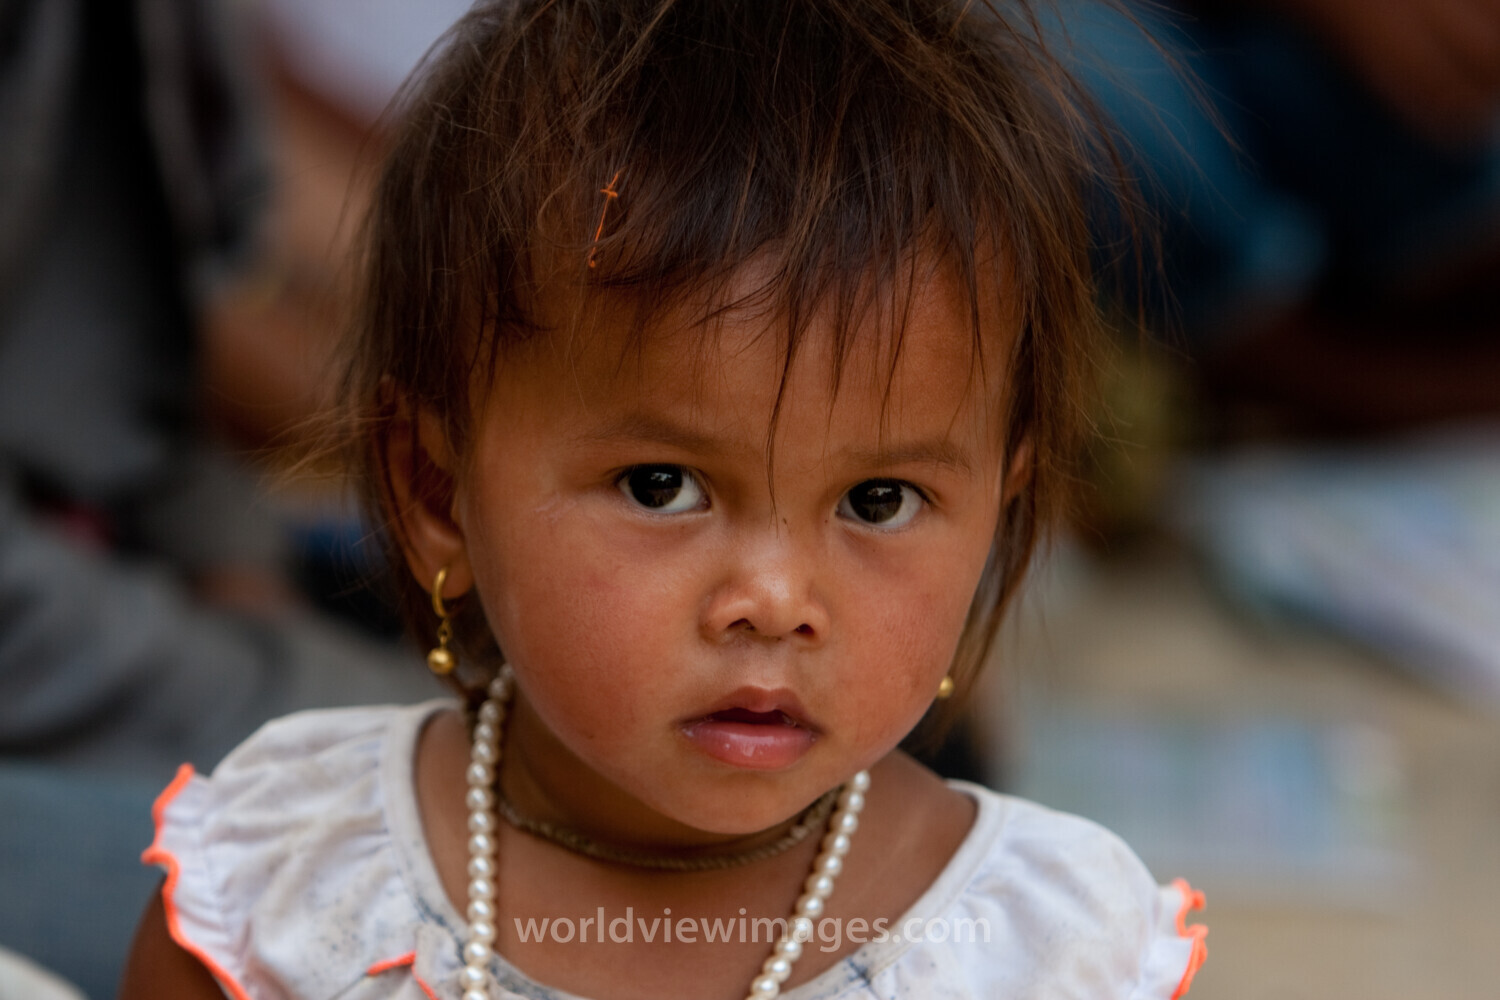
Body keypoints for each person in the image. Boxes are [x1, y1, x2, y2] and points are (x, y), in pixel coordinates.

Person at [119, 2, 1208, 998]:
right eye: (662, 487)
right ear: (435, 489)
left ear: (999, 514)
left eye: (879, 500)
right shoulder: (290, 887)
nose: (775, 600)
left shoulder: (1041, 953)